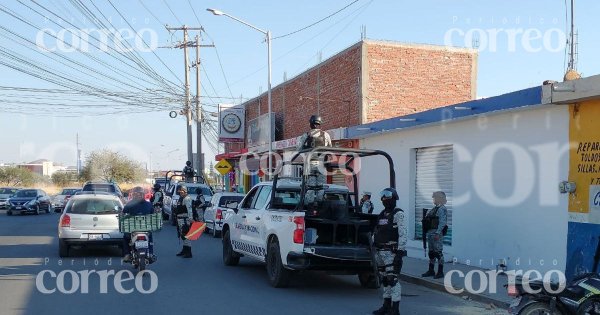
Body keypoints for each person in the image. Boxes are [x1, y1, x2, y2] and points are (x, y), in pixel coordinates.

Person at [372, 187, 407, 315]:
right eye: (383, 198)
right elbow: (377, 231)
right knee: (385, 280)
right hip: (380, 252)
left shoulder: (398, 214)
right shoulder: (382, 214)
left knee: (393, 280)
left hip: (391, 253)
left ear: (394, 199)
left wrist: (400, 252)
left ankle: (395, 309)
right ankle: (386, 306)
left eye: (388, 198)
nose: (385, 200)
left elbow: (403, 234)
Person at [296, 115, 332, 205]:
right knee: (321, 187)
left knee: (310, 187)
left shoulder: (306, 135)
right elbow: (330, 148)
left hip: (310, 164)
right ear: (320, 124)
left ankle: (309, 206)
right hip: (322, 165)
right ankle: (320, 205)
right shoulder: (326, 135)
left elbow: (299, 149)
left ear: (310, 124)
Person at [122, 187, 154, 262]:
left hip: (133, 228)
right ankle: (151, 253)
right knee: (150, 236)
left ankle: (127, 254)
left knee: (125, 237)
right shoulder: (149, 204)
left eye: (139, 194)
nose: (138, 195)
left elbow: (124, 212)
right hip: (145, 228)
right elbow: (153, 214)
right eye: (137, 194)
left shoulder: (130, 204)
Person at [421, 191, 448, 279]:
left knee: (438, 253)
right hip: (431, 233)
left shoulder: (442, 209)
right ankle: (431, 270)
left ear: (440, 198)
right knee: (431, 253)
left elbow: (442, 222)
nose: (434, 199)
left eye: (435, 197)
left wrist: (438, 232)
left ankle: (440, 272)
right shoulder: (435, 208)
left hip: (436, 233)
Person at [174, 185, 194, 258]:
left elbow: (189, 209)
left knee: (186, 235)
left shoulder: (187, 198)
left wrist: (190, 218)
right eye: (179, 192)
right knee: (182, 235)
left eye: (181, 191)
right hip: (180, 219)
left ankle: (189, 252)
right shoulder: (181, 198)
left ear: (185, 191)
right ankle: (184, 250)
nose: (180, 193)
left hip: (185, 219)